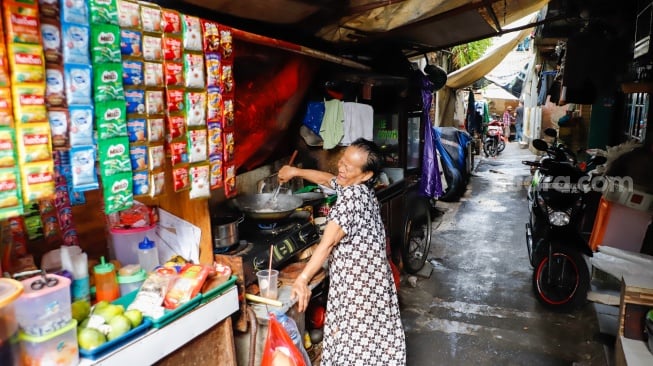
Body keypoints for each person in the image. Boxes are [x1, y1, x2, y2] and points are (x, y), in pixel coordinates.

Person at [278, 138, 406, 366]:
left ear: (366, 175)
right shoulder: (361, 188)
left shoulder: (351, 201)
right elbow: (329, 180)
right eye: (343, 160)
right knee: (375, 346)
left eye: (349, 166)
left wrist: (303, 279)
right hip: (376, 283)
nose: (341, 168)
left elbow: (327, 244)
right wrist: (295, 171)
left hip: (359, 292)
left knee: (355, 348)